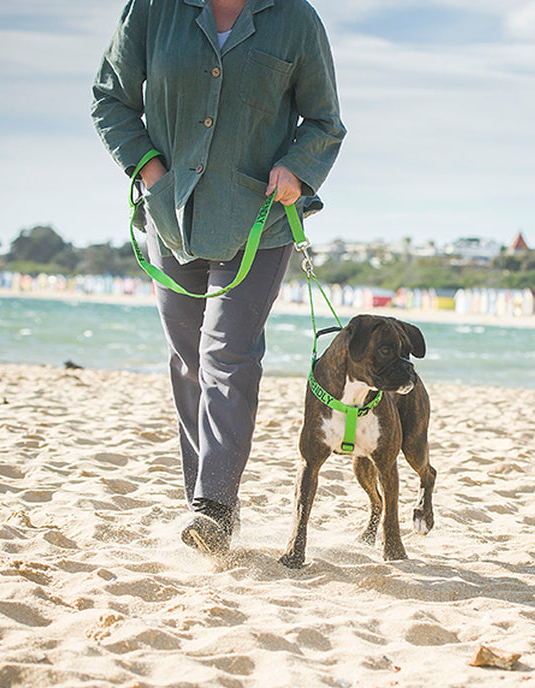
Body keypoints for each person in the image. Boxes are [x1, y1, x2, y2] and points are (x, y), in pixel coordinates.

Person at [91, 0, 346, 553]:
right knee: (188, 360)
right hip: (169, 215)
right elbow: (109, 99)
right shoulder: (151, 10)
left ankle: (215, 506)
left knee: (226, 353)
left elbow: (324, 121)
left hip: (260, 219)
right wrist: (151, 172)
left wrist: (298, 168)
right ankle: (201, 503)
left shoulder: (295, 19)